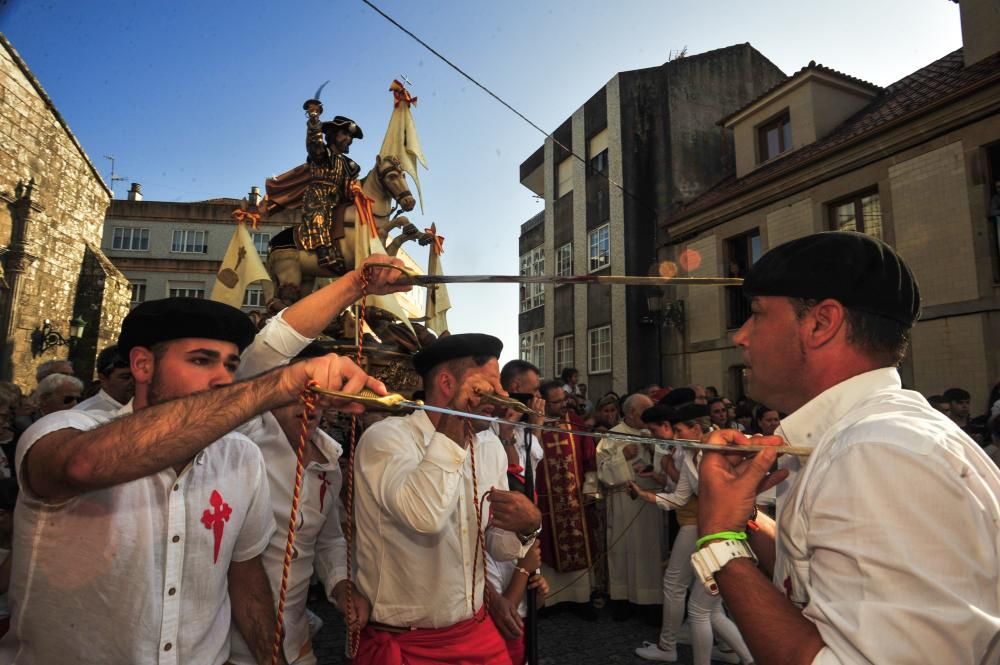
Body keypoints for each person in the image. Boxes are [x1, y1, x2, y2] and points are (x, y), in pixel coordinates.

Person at [1, 296, 386, 664]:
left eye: (232, 365)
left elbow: (247, 577)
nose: (222, 378)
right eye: (202, 360)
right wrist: (280, 384)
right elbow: (81, 466)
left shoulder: (240, 455)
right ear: (142, 365)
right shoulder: (67, 429)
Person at [696, 231, 1000, 663]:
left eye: (758, 314)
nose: (740, 336)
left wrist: (719, 541)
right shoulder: (863, 439)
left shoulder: (878, 452)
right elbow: (816, 574)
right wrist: (740, 516)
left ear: (822, 322)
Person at [229, 255, 410, 664]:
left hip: (296, 643)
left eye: (317, 393)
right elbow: (269, 351)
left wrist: (342, 587)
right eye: (296, 391)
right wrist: (351, 286)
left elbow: (328, 540)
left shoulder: (330, 456)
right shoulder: (245, 434)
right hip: (227, 647)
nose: (306, 403)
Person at [352, 333, 542, 665]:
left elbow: (495, 545)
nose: (502, 398)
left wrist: (527, 528)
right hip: (406, 641)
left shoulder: (490, 447)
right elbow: (424, 518)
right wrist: (455, 421)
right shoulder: (386, 439)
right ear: (446, 383)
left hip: (475, 632)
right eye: (489, 387)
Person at [631, 403, 753, 665]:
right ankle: (747, 657)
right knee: (709, 609)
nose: (674, 436)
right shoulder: (688, 454)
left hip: (728, 533)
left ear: (696, 428)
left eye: (678, 430)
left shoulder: (725, 449)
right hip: (709, 533)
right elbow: (679, 498)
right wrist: (646, 496)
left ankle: (738, 656)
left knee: (700, 609)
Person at [596, 392, 662, 618]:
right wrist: (621, 456)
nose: (651, 415)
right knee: (624, 550)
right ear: (632, 412)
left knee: (650, 552)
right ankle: (623, 601)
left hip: (651, 502)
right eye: (646, 411)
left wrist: (657, 453)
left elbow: (669, 467)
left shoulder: (655, 433)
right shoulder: (613, 435)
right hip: (624, 500)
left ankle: (651, 601)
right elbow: (602, 472)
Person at [536, 379, 598, 615]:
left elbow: (589, 458)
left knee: (578, 542)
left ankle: (581, 599)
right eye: (557, 401)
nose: (564, 405)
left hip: (574, 501)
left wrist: (590, 490)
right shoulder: (534, 424)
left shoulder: (575, 422)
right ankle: (550, 601)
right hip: (546, 501)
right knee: (548, 546)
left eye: (565, 399)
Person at [75, 345, 133, 414]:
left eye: (137, 377)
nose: (134, 382)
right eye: (126, 377)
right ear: (103, 379)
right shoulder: (85, 414)